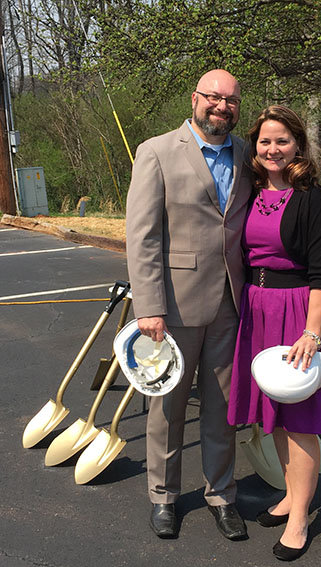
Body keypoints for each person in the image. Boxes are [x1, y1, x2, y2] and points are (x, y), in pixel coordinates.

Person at [227, 105, 321, 560]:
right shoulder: (249, 191)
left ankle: (301, 518)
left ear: (298, 145)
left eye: (281, 140)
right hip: (259, 310)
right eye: (265, 141)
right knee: (277, 417)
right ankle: (289, 496)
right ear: (255, 147)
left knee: (300, 422)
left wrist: (312, 334)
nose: (272, 149)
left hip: (300, 314)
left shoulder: (316, 201)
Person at [126, 69, 252, 541]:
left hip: (230, 305)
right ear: (195, 98)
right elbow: (142, 237)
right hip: (173, 308)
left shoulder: (246, 153)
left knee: (222, 409)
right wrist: (148, 307)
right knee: (167, 408)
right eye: (214, 98)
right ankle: (163, 496)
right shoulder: (156, 152)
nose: (222, 106)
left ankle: (221, 495)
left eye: (232, 100)